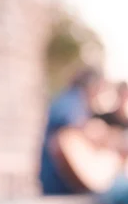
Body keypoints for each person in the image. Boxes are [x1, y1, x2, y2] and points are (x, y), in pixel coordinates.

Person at [39, 66, 105, 195]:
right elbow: (71, 124)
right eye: (99, 89)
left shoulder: (76, 102)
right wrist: (98, 134)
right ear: (92, 85)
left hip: (66, 182)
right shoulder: (72, 101)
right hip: (59, 181)